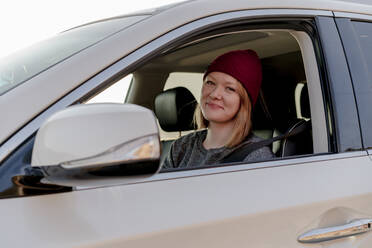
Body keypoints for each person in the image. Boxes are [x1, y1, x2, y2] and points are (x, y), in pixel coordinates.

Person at [162, 49, 275, 169]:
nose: (215, 94)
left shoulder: (256, 156)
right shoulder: (181, 146)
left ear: (244, 101)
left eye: (230, 89)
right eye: (210, 83)